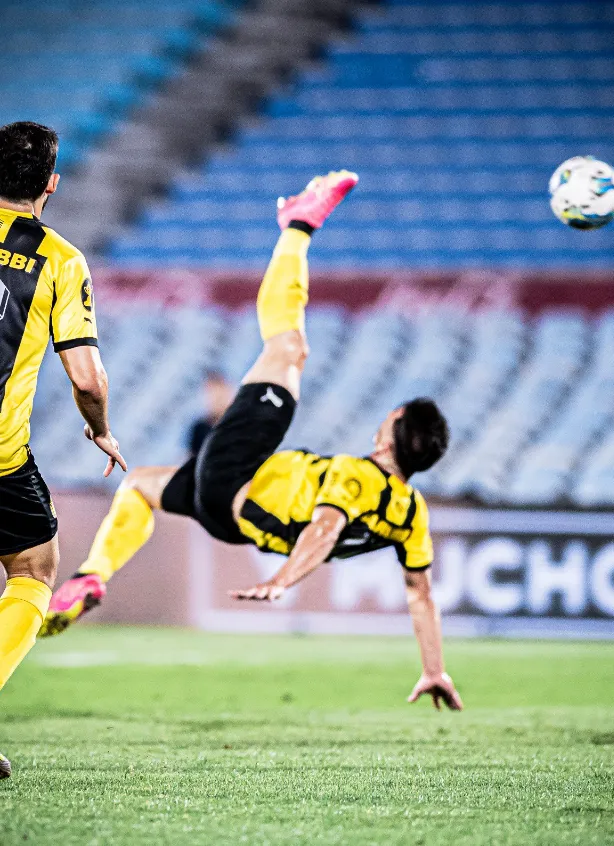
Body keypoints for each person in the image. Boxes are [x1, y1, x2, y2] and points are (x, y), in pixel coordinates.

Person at [41, 171, 463, 712]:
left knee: (288, 346)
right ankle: (90, 577)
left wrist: (286, 579)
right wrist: (434, 669)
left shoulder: (362, 477)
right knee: (142, 487)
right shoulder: (412, 515)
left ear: (392, 432)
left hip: (236, 475)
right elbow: (420, 593)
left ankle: (298, 225)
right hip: (233, 522)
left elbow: (326, 525)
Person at [0, 122, 126, 779]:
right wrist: (99, 427)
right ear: (51, 183)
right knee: (33, 568)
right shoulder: (58, 259)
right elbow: (86, 377)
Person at [186, 371, 234, 457]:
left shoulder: (245, 415)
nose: (217, 399)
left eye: (220, 395)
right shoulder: (200, 429)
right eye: (212, 395)